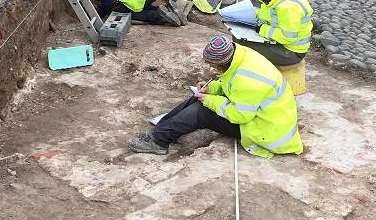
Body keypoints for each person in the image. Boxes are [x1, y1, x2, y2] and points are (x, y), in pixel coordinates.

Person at [128, 35, 302, 158]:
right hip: (263, 117)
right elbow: (233, 87)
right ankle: (163, 126)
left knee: (201, 112)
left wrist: (211, 100)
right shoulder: (241, 57)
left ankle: (159, 141)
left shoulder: (247, 78)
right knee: (200, 96)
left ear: (222, 62)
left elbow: (239, 115)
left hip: (267, 132)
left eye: (211, 64)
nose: (210, 67)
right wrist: (211, 89)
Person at [238, 0, 313, 66]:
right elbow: (269, 15)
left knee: (241, 44)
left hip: (291, 52)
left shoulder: (287, 6)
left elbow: (288, 37)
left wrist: (262, 29)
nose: (260, 0)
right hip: (282, 45)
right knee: (240, 38)